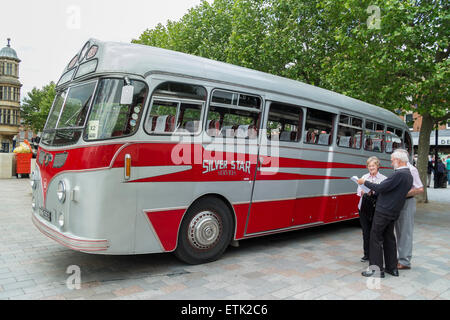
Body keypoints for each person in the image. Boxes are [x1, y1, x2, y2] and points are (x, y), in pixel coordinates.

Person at [357, 150, 413, 278]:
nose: (392, 162)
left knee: (375, 238)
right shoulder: (408, 175)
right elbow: (390, 191)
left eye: (393, 160)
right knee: (389, 238)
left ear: (398, 160)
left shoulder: (398, 174)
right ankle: (392, 268)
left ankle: (376, 270)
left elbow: (382, 187)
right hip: (394, 211)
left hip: (383, 211)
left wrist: (364, 182)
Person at [394, 149, 424, 270]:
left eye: (395, 158)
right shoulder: (399, 169)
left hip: (407, 203)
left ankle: (405, 261)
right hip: (400, 203)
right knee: (400, 231)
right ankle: (401, 257)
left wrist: (401, 194)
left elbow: (420, 188)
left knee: (405, 232)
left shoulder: (411, 170)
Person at [356, 156, 386, 263]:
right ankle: (366, 254)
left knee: (375, 233)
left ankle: (375, 255)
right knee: (366, 232)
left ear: (377, 166)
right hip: (363, 208)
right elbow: (358, 192)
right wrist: (363, 192)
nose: (371, 168)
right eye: (369, 166)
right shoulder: (364, 177)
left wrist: (373, 192)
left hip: (376, 209)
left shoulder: (383, 179)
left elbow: (384, 193)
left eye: (373, 165)